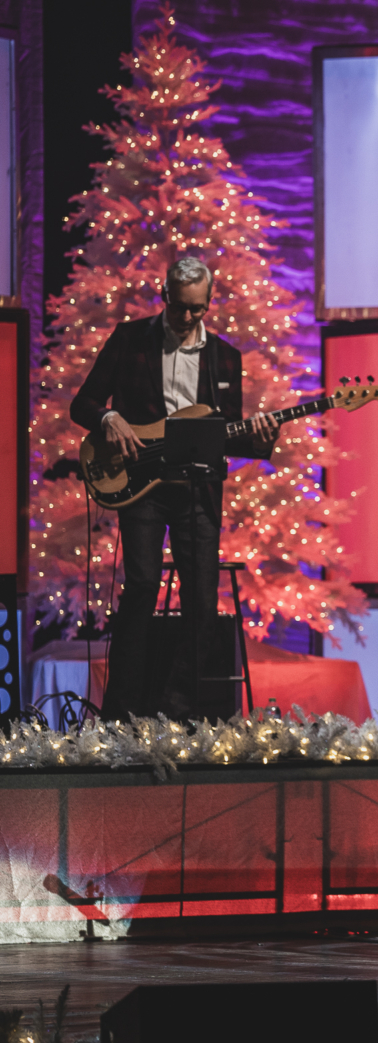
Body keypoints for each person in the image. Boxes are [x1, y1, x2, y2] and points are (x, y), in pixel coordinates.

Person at [70, 257, 278, 719]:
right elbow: (81, 403)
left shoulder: (225, 357)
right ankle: (121, 712)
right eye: (181, 308)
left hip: (198, 488)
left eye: (198, 310)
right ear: (165, 296)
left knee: (202, 598)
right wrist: (108, 418)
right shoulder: (130, 340)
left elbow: (223, 433)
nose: (187, 319)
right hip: (141, 483)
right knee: (142, 585)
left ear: (208, 304)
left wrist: (261, 437)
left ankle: (179, 711)